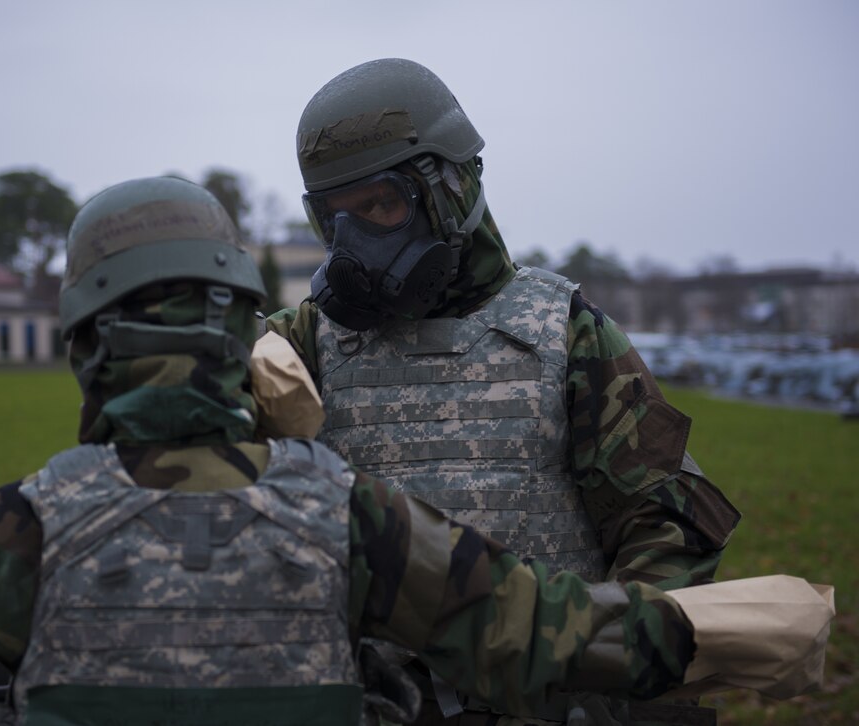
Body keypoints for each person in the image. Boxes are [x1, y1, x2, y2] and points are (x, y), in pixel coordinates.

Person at [0, 177, 699, 726]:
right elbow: (557, 633)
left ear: (86, 345)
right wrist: (694, 634)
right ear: (247, 338)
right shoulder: (347, 515)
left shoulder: (22, 531)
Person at [265, 58, 742, 725]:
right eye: (335, 218)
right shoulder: (303, 343)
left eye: (380, 205)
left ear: (452, 185)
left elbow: (668, 522)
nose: (357, 243)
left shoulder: (564, 332)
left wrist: (609, 671)